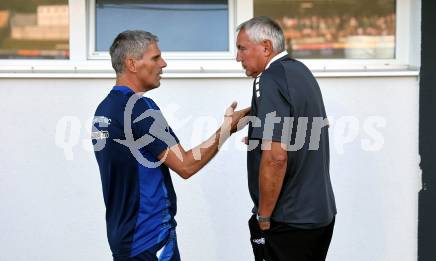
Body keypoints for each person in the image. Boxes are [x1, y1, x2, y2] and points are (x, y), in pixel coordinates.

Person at [92, 30, 249, 261]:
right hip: (150, 237)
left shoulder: (104, 109)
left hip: (123, 237)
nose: (163, 64)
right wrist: (226, 129)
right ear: (132, 63)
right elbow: (186, 165)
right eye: (155, 58)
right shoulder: (139, 108)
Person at [236, 17, 337, 261]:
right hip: (319, 215)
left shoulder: (268, 78)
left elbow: (276, 158)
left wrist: (264, 215)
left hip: (288, 219)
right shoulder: (299, 70)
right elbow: (297, 128)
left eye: (241, 48)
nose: (238, 57)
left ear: (266, 47)